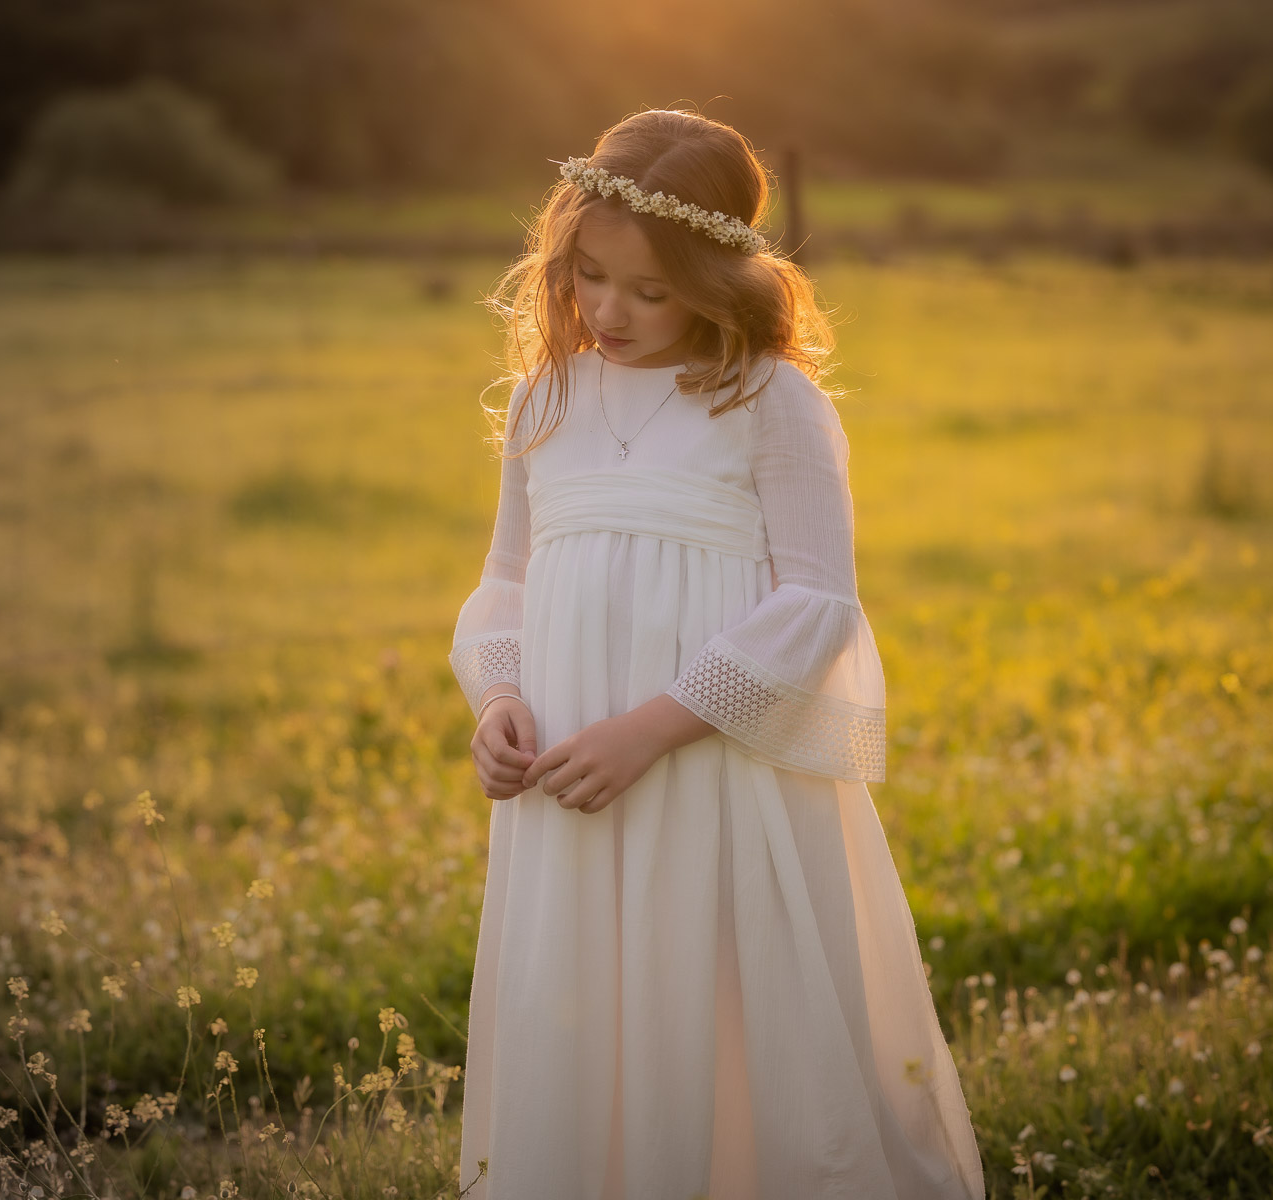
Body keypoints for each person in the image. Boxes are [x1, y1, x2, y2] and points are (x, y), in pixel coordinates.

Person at [448, 108, 985, 1200]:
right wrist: (499, 693)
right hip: (570, 774)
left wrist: (651, 729)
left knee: (725, 993)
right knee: (584, 998)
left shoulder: (768, 400)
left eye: (651, 291)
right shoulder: (549, 398)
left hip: (710, 764)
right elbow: (507, 576)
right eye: (591, 276)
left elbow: (817, 601)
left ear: (718, 277)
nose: (610, 311)